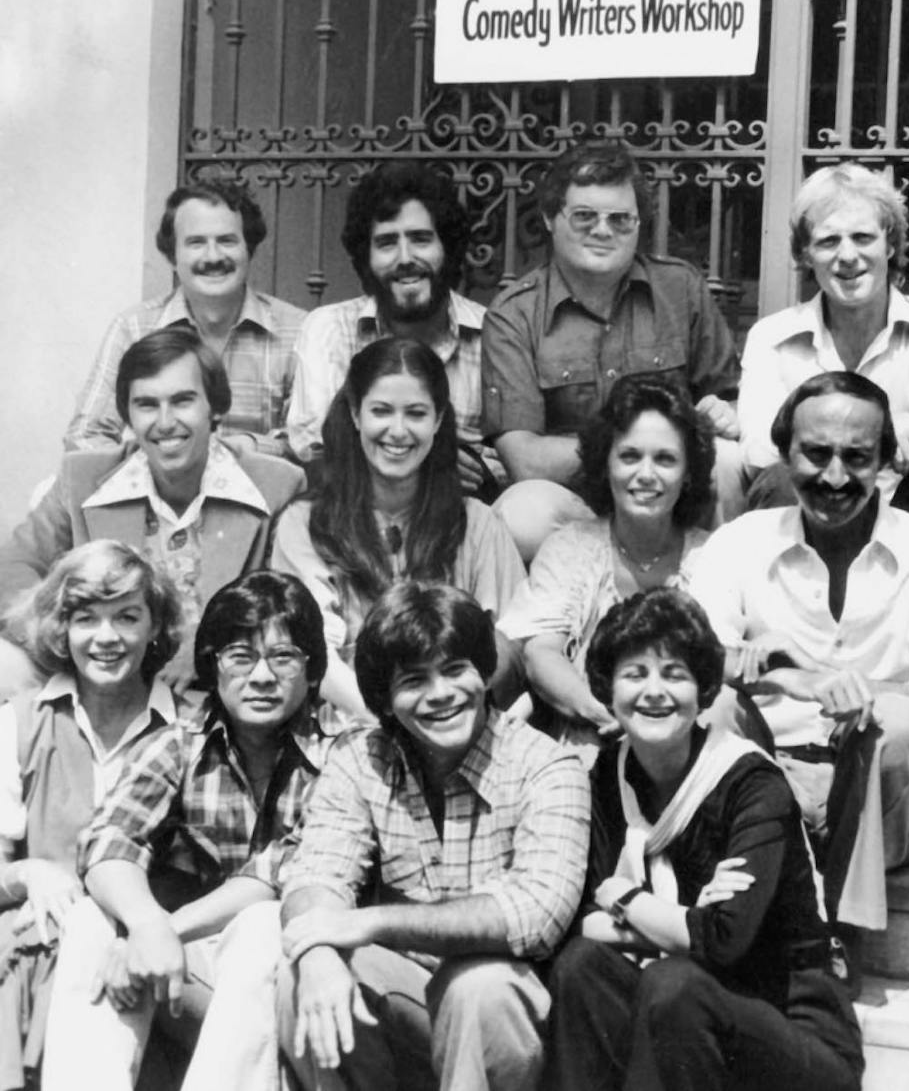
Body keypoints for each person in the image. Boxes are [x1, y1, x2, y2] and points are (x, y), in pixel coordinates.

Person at [690, 371, 909, 961]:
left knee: (893, 722)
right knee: (714, 704)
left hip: (882, 796)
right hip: (769, 777)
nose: (836, 477)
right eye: (816, 454)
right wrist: (794, 677)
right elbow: (688, 662)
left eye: (857, 457)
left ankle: (833, 941)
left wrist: (857, 697)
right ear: (784, 454)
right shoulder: (738, 542)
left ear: (888, 463)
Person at [270, 580, 590, 1091]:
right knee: (301, 978)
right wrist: (318, 953)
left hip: (512, 1018)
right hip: (412, 998)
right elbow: (315, 874)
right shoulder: (361, 759)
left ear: (483, 673)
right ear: (386, 699)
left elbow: (535, 916)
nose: (440, 694)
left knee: (477, 988)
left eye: (456, 670)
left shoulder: (547, 766)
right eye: (414, 681)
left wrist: (371, 922)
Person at [546, 587, 863, 1091]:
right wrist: (685, 923)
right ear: (609, 688)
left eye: (674, 674)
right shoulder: (609, 773)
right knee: (581, 967)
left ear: (703, 691)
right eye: (635, 674)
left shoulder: (752, 784)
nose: (654, 692)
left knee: (676, 984)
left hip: (792, 1036)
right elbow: (580, 923)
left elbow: (726, 941)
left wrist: (624, 896)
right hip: (683, 1027)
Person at [41, 570, 340, 1091]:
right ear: (213, 666)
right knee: (94, 919)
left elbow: (281, 873)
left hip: (298, 972)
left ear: (312, 668)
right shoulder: (180, 743)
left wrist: (166, 929)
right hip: (196, 969)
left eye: (284, 657)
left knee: (265, 922)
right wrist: (146, 923)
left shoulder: (343, 752)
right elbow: (109, 839)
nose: (263, 677)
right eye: (241, 657)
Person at [481, 138, 742, 560]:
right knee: (520, 512)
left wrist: (725, 411)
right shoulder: (514, 315)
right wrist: (633, 441)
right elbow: (525, 460)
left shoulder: (681, 290)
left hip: (672, 494)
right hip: (577, 504)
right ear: (550, 218)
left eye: (621, 219)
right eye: (584, 217)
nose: (603, 231)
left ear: (639, 224)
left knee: (729, 463)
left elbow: (728, 399)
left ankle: (714, 600)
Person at [0, 329, 305, 686]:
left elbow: (289, 603)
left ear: (215, 408)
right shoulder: (82, 477)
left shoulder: (276, 485)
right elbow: (15, 566)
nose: (164, 422)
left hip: (222, 687)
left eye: (182, 401)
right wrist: (66, 632)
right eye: (146, 404)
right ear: (127, 415)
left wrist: (210, 645)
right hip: (103, 678)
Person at [0, 541, 182, 1091]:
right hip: (29, 956)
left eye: (127, 617)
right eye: (86, 619)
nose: (107, 638)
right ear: (62, 629)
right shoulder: (22, 723)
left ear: (155, 627)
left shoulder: (188, 730)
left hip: (144, 965)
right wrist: (28, 873)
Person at [739, 163, 909, 545]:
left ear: (889, 244)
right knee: (777, 479)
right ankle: (792, 603)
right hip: (814, 506)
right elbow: (759, 448)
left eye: (862, 238)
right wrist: (884, 434)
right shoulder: (772, 337)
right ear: (806, 253)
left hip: (908, 512)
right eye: (828, 242)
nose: (847, 256)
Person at [271, 337, 525, 716]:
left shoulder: (477, 523)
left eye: (416, 413)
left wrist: (445, 717)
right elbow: (311, 649)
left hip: (453, 721)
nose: (398, 430)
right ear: (356, 415)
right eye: (382, 411)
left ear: (438, 420)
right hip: (345, 725)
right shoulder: (305, 523)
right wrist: (386, 724)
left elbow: (512, 644)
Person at [498, 374, 713, 742]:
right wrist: (602, 713)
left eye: (665, 459)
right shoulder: (572, 549)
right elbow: (541, 654)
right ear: (606, 464)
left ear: (689, 474)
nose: (646, 475)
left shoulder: (714, 556)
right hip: (588, 738)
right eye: (630, 456)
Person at [287, 160, 504, 496]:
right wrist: (436, 462)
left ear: (447, 247)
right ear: (366, 256)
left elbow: (508, 465)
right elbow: (316, 451)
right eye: (387, 243)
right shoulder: (329, 329)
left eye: (420, 239)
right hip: (355, 518)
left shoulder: (491, 334)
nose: (405, 258)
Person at [66, 179, 305, 459]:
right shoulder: (134, 328)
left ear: (248, 249)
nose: (213, 256)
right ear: (172, 255)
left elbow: (312, 445)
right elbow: (86, 436)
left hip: (263, 498)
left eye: (227, 240)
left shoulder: (298, 330)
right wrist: (149, 477)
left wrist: (250, 449)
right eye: (196, 243)